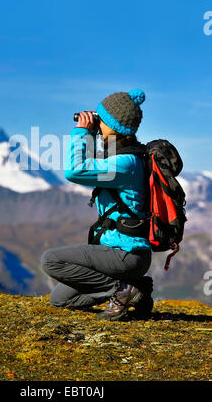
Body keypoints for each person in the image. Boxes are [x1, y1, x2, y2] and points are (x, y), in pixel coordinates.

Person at [41, 89, 153, 321]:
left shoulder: (126, 163)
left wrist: (81, 132)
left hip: (125, 254)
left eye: (101, 119)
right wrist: (94, 134)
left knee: (51, 260)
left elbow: (76, 171)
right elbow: (93, 167)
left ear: (114, 125)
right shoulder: (127, 157)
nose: (97, 122)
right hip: (121, 255)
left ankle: (121, 291)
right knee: (60, 299)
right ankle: (134, 288)